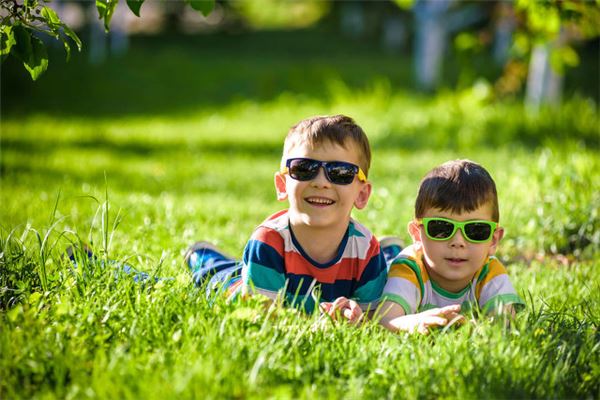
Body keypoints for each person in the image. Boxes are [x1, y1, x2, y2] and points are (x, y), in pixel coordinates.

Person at [185, 115, 388, 323]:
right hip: (237, 286)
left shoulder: (366, 249)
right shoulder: (268, 242)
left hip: (271, 281)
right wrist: (320, 322)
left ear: (361, 195)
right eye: (303, 169)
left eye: (340, 172)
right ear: (282, 185)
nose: (321, 182)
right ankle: (201, 256)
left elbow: (372, 319)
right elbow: (264, 319)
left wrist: (355, 319)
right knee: (213, 274)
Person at [378, 159, 525, 334]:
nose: (458, 242)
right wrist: (414, 323)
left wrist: (469, 328)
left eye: (475, 230)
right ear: (418, 235)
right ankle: (389, 250)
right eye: (440, 228)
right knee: (385, 264)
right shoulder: (409, 269)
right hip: (392, 266)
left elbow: (506, 326)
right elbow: (385, 321)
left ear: (493, 241)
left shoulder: (490, 272)